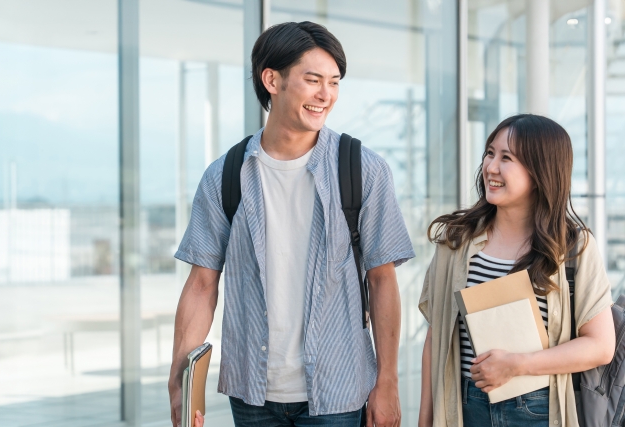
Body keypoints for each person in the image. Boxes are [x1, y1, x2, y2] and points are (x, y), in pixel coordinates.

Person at [168, 21, 415, 427]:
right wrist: (180, 378)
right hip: (252, 392)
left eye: (334, 82)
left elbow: (382, 280)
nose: (326, 95)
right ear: (272, 80)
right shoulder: (225, 175)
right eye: (313, 80)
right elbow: (201, 284)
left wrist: (387, 380)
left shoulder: (362, 169)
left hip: (338, 391)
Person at [418, 114, 615, 427]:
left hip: (539, 409)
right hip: (466, 406)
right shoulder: (456, 242)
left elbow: (601, 346)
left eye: (506, 158)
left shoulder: (573, 247)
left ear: (539, 173)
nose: (491, 167)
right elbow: (437, 338)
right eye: (490, 153)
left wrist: (517, 365)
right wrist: (426, 420)